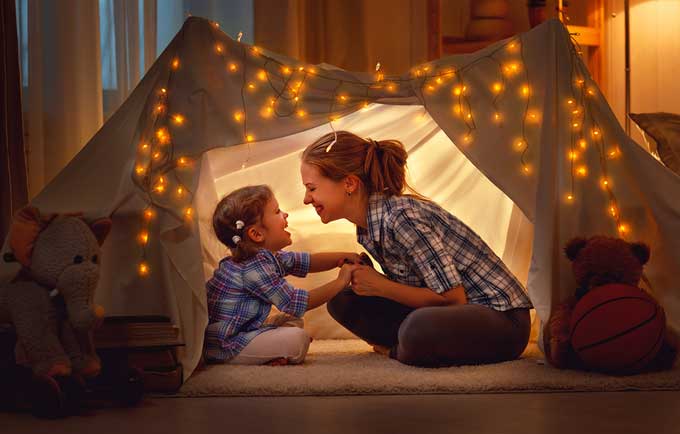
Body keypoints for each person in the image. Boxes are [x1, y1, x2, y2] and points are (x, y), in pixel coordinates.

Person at [300, 131, 533, 367]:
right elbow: (420, 288)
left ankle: (400, 350)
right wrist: (373, 282)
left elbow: (453, 300)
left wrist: (382, 286)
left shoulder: (402, 218)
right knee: (342, 301)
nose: (306, 200)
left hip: (501, 321)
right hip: (450, 316)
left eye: (312, 188)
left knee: (417, 328)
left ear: (349, 183)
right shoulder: (369, 228)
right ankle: (408, 346)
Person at [204, 184, 361, 365]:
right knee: (298, 339)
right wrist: (341, 282)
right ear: (256, 234)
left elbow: (308, 262)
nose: (285, 214)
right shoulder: (252, 268)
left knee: (293, 321)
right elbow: (296, 303)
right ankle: (272, 352)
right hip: (227, 343)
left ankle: (272, 352)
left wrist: (343, 257)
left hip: (245, 330)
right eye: (277, 211)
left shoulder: (264, 257)